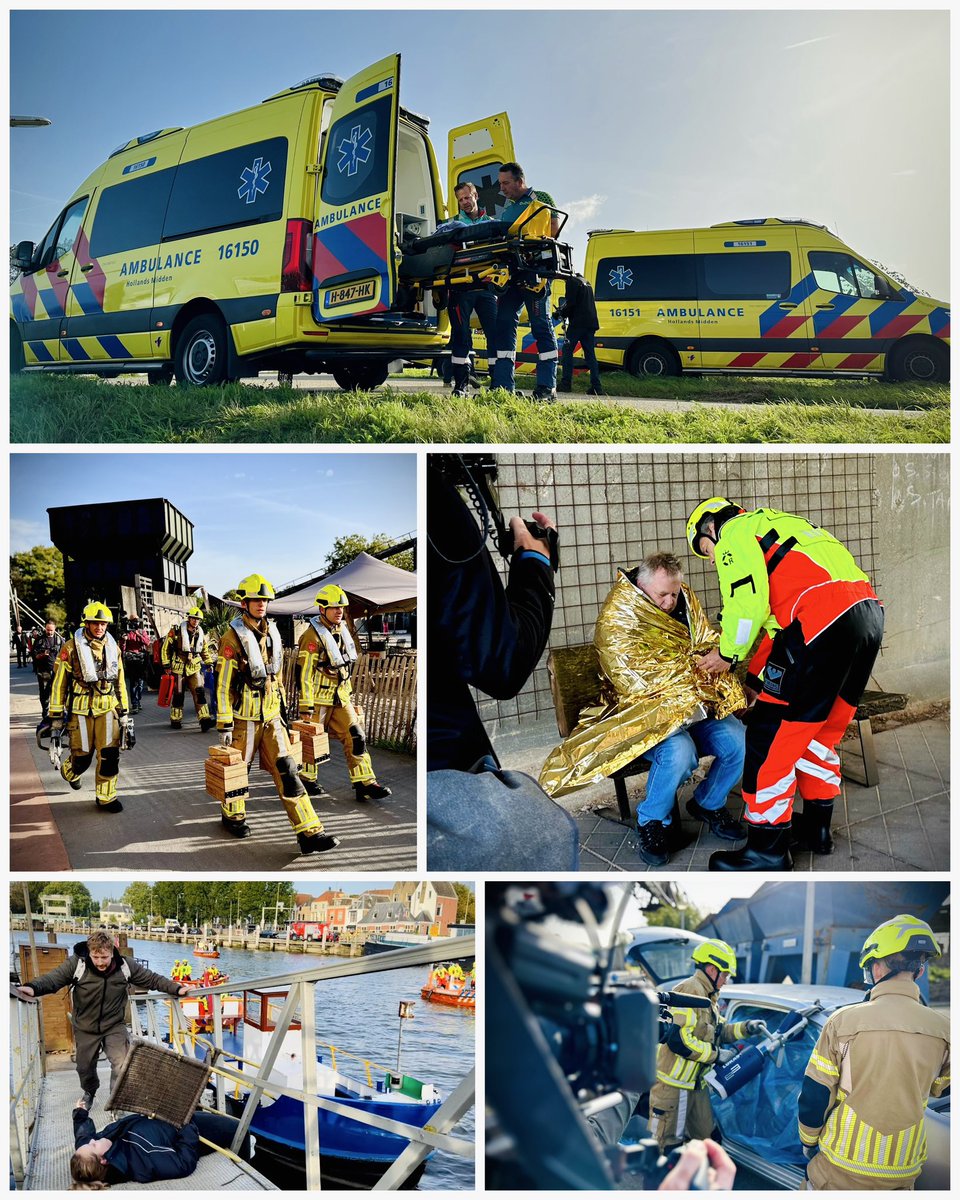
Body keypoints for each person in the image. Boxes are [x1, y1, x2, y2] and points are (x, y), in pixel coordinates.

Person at [687, 498, 884, 871]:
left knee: (768, 735)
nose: (711, 559)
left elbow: (747, 601)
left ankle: (766, 850)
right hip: (867, 617)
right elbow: (781, 632)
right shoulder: (784, 526)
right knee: (818, 733)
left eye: (705, 549)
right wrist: (755, 679)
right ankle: (816, 829)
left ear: (710, 526)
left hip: (820, 623)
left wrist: (727, 655)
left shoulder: (733, 534)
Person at [540, 552, 747, 865]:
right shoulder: (617, 617)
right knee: (679, 752)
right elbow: (633, 679)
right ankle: (650, 820)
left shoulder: (684, 599)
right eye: (662, 595)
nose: (669, 602)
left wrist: (712, 661)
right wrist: (691, 675)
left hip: (693, 705)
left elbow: (702, 640)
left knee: (738, 740)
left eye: (674, 594)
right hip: (639, 715)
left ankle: (708, 801)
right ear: (640, 585)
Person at [426, 454, 577, 868]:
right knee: (547, 834)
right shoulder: (434, 502)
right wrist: (536, 562)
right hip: (444, 769)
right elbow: (501, 663)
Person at [798, 915, 949, 1191]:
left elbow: (814, 1094)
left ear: (877, 969)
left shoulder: (842, 1022)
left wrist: (808, 1143)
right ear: (921, 970)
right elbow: (938, 1089)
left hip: (839, 1171)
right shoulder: (945, 1030)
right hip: (904, 1173)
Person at [215, 572, 340, 854]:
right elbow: (222, 685)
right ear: (244, 603)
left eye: (265, 600)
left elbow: (278, 677)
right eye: (256, 600)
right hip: (243, 719)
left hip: (272, 716)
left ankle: (310, 832)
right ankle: (232, 815)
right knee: (239, 771)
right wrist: (223, 724)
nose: (261, 604)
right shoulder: (231, 638)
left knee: (288, 770)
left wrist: (283, 711)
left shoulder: (272, 631)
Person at [18, 931, 192, 1107]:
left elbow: (152, 979)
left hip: (114, 1025)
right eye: (96, 957)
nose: (100, 962)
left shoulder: (125, 966)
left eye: (104, 957)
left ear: (112, 952)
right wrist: (33, 988)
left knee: (123, 1063)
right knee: (85, 1068)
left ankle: (115, 1101)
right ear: (89, 953)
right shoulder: (78, 964)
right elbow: (53, 979)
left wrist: (176, 989)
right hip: (85, 1027)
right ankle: (89, 1092)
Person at [650, 940, 764, 1153]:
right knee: (666, 1150)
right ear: (712, 969)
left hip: (695, 1086)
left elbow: (721, 1031)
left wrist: (747, 1027)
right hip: (673, 1087)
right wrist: (716, 1055)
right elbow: (679, 1040)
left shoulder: (709, 997)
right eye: (725, 975)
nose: (726, 981)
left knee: (709, 1140)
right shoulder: (689, 990)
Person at [295, 584, 391, 801]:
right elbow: (304, 674)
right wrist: (306, 707)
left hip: (340, 697)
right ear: (322, 609)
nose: (339, 611)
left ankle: (364, 782)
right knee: (312, 741)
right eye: (334, 607)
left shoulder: (341, 631)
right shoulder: (311, 636)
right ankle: (307, 779)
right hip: (318, 699)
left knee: (356, 736)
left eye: (341, 607)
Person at [48, 602, 130, 812]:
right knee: (82, 759)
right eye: (95, 623)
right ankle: (70, 771)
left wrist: (124, 712)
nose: (99, 628)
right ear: (87, 623)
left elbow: (120, 681)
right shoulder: (70, 648)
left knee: (109, 756)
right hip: (80, 712)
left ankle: (106, 797)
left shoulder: (114, 648)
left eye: (103, 624)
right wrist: (56, 716)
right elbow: (59, 684)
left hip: (107, 710)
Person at [70, 1094, 251, 1188]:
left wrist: (80, 1114)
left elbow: (83, 1138)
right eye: (93, 1145)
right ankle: (248, 1165)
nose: (93, 1140)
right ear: (104, 1159)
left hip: (166, 1118)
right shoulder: (141, 1160)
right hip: (188, 1128)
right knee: (239, 1129)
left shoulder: (101, 1146)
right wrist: (186, 1125)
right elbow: (182, 1164)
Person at [490, 162, 560, 401]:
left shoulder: (541, 198)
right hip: (513, 274)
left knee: (540, 324)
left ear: (520, 181)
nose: (502, 189)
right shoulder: (509, 208)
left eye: (506, 183)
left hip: (536, 272)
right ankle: (502, 386)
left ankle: (546, 388)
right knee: (504, 322)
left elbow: (553, 231)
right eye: (500, 184)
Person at [446, 180, 499, 395]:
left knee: (495, 334)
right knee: (461, 335)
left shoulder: (491, 223)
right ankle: (461, 385)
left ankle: (499, 384)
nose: (464, 203)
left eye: (467, 197)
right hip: (461, 286)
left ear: (476, 196)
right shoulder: (452, 225)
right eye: (460, 200)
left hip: (486, 287)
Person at [161, 606, 217, 731]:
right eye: (193, 618)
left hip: (194, 667)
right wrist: (166, 664)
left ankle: (204, 720)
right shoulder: (175, 631)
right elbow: (165, 648)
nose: (195, 621)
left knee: (200, 693)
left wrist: (209, 663)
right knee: (179, 694)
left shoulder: (200, 633)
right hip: (178, 668)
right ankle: (176, 720)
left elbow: (204, 650)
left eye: (198, 619)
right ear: (189, 618)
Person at [557, 272, 604, 395]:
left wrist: (560, 313)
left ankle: (566, 383)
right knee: (590, 355)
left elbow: (571, 302)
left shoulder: (571, 282)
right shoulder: (585, 282)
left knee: (567, 351)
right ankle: (596, 387)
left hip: (578, 323)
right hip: (591, 323)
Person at [31, 618, 64, 724]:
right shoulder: (39, 640)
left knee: (57, 693)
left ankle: (57, 714)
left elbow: (65, 654)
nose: (49, 632)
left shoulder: (60, 640)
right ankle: (45, 715)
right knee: (44, 695)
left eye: (51, 630)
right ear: (45, 628)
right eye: (47, 630)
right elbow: (35, 655)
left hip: (57, 671)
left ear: (55, 629)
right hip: (43, 671)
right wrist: (42, 655)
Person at [119, 619, 151, 713]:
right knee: (133, 683)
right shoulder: (127, 633)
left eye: (135, 621)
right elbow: (122, 648)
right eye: (132, 622)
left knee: (140, 683)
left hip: (141, 659)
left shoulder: (142, 632)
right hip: (131, 659)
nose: (134, 624)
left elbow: (147, 642)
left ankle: (138, 700)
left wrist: (138, 634)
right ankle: (134, 703)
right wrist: (123, 640)